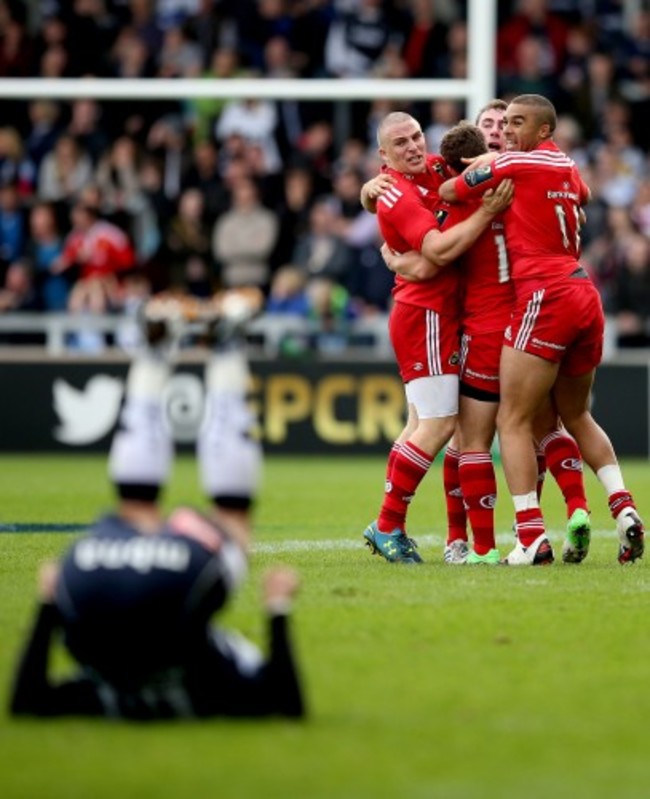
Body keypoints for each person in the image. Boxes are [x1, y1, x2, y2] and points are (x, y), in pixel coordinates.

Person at [9, 289, 306, 719]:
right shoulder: (178, 687)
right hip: (88, 575)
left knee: (230, 515)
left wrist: (277, 608)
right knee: (137, 505)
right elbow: (27, 701)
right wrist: (49, 601)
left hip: (170, 584)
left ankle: (208, 350)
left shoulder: (210, 687)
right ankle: (168, 356)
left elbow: (285, 701)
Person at [439, 93, 645, 566]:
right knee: (573, 417)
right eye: (503, 122)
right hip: (583, 293)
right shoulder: (568, 166)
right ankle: (624, 507)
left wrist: (491, 166)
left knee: (512, 420)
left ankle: (530, 536)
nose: (508, 130)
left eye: (517, 122)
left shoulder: (514, 162)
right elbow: (584, 196)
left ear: (544, 130)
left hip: (543, 295)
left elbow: (451, 192)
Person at [381, 104, 591, 566]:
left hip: (476, 324)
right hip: (527, 317)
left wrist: (397, 261)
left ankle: (474, 543)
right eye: (491, 124)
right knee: (537, 423)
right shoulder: (521, 185)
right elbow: (579, 194)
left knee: (462, 435)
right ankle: (572, 511)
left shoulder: (462, 194)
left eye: (507, 123)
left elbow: (430, 256)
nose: (499, 130)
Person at [359, 111, 513, 564]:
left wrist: (366, 195)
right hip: (425, 314)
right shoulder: (395, 193)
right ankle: (387, 524)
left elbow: (472, 167)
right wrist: (487, 211)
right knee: (442, 425)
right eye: (400, 143)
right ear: (382, 155)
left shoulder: (430, 168)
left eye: (416, 137)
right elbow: (435, 257)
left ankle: (390, 525)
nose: (412, 147)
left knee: (417, 424)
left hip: (439, 314)